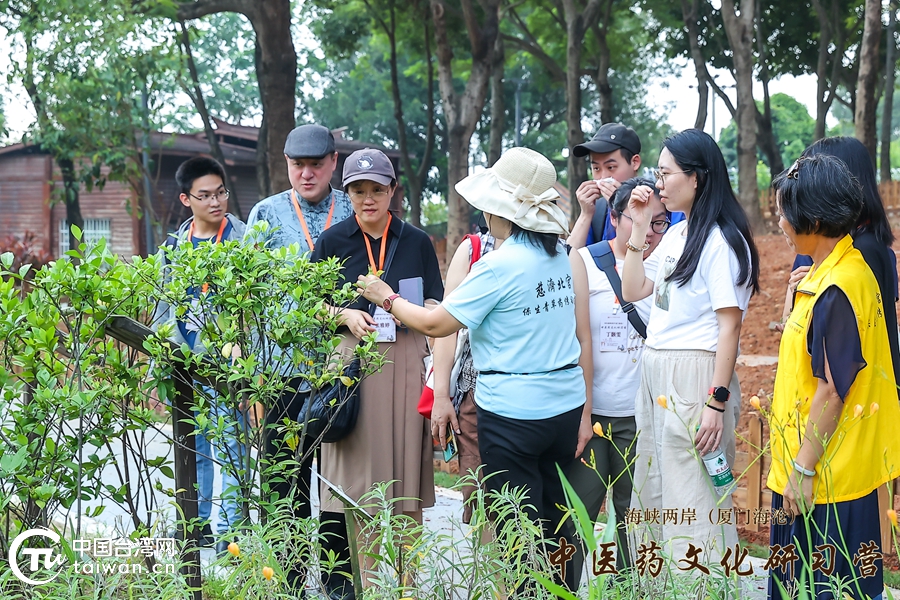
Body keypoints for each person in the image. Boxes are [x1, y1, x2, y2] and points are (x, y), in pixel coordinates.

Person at [358, 146, 594, 591]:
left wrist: (385, 296)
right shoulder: (565, 258)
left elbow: (435, 322)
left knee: (516, 527)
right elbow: (582, 336)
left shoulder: (498, 266)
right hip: (565, 406)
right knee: (555, 515)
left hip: (512, 415)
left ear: (499, 210)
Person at [620, 129, 759, 566]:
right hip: (658, 370)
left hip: (695, 375)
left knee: (695, 497)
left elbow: (730, 328)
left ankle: (702, 587)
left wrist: (716, 403)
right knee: (654, 489)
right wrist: (640, 227)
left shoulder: (721, 241)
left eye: (665, 173)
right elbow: (633, 287)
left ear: (696, 178)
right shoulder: (680, 236)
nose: (658, 183)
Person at [767, 154, 900, 600]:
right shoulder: (844, 271)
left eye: (785, 210)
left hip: (824, 479)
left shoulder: (837, 287)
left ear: (814, 217)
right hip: (843, 470)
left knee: (818, 586)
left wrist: (802, 468)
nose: (779, 219)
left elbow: (832, 389)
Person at [312, 148, 443, 597]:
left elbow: (433, 304)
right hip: (352, 362)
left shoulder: (417, 241)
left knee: (406, 480)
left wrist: (405, 309)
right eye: (358, 190)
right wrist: (344, 315)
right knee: (359, 484)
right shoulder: (332, 241)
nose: (368, 199)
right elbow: (310, 305)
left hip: (406, 357)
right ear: (346, 193)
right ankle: (367, 584)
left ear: (392, 191)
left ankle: (407, 585)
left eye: (377, 190)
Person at [242, 124, 353, 590]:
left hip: (340, 371)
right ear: (286, 164)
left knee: (336, 485)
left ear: (333, 163)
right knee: (282, 485)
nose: (306, 173)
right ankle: (286, 583)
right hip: (279, 375)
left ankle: (338, 581)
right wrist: (250, 382)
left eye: (315, 164)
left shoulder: (353, 208)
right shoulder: (265, 213)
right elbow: (244, 298)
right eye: (296, 165)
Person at [567, 177, 669, 583]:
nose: (650, 230)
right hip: (591, 420)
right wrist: (582, 410)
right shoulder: (586, 261)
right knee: (576, 517)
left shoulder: (670, 263)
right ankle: (565, 590)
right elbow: (579, 339)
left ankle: (628, 592)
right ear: (614, 217)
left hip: (640, 417)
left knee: (634, 523)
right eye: (639, 218)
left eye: (660, 221)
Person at [151, 156, 246, 556]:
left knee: (232, 446)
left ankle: (231, 530)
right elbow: (161, 307)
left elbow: (251, 309)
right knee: (195, 446)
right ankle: (197, 522)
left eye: (220, 192)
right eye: (204, 195)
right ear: (185, 199)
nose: (215, 201)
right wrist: (161, 362)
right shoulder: (173, 247)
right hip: (183, 364)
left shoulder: (243, 239)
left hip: (227, 363)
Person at [777, 136, 899, 400]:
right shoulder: (825, 248)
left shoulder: (857, 254)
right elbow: (789, 324)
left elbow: (835, 381)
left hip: (855, 400)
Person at [429, 226, 496, 525]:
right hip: (475, 393)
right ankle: (488, 572)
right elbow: (446, 327)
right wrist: (441, 396)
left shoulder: (556, 247)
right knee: (480, 497)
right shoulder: (473, 249)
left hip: (536, 398)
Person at [568, 122, 684, 249]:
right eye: (596, 168)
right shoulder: (598, 211)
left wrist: (623, 204)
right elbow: (570, 262)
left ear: (635, 162)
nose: (603, 177)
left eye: (611, 167)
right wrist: (586, 214)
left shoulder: (665, 204)